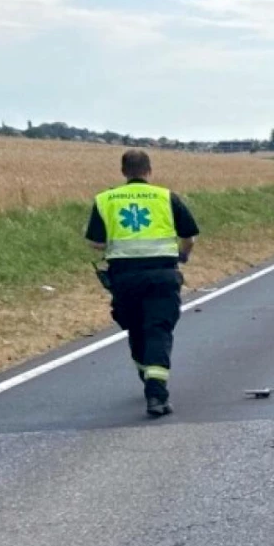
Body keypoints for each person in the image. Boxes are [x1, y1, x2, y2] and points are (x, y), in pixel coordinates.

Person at [86, 149, 199, 417]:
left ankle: (148, 376)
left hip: (125, 278)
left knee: (136, 328)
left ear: (123, 171)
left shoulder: (105, 200)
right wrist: (183, 256)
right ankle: (156, 392)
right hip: (162, 275)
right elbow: (189, 236)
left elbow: (95, 243)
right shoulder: (166, 197)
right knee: (158, 329)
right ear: (149, 170)